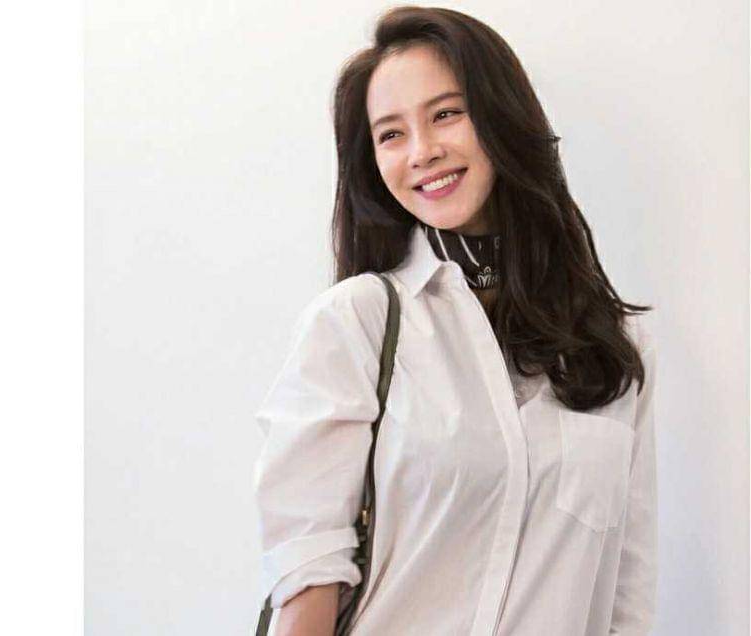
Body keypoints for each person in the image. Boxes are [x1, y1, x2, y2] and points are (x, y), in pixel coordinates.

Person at [252, 6, 657, 635]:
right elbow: (307, 575)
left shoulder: (616, 349)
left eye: (445, 114)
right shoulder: (356, 324)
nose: (423, 151)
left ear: (502, 117)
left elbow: (626, 594)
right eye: (391, 134)